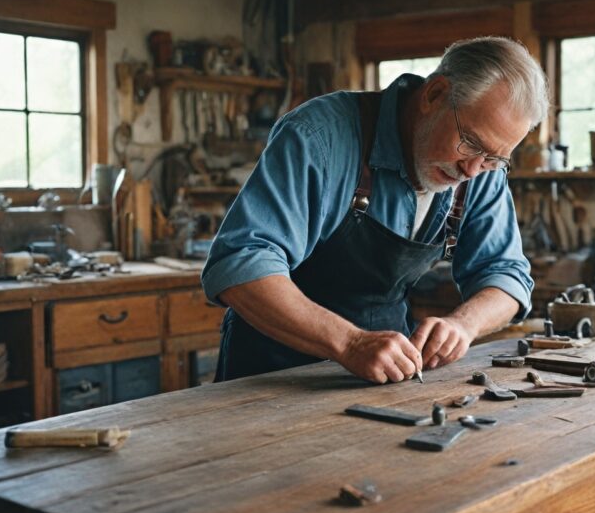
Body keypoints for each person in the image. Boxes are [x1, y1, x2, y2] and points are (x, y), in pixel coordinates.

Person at [202, 36, 548, 384]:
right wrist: (350, 344)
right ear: (434, 95)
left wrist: (463, 325)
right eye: (470, 143)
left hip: (385, 375)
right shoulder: (318, 136)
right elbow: (240, 264)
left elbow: (507, 275)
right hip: (273, 373)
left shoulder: (478, 168)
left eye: (494, 158)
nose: (472, 170)